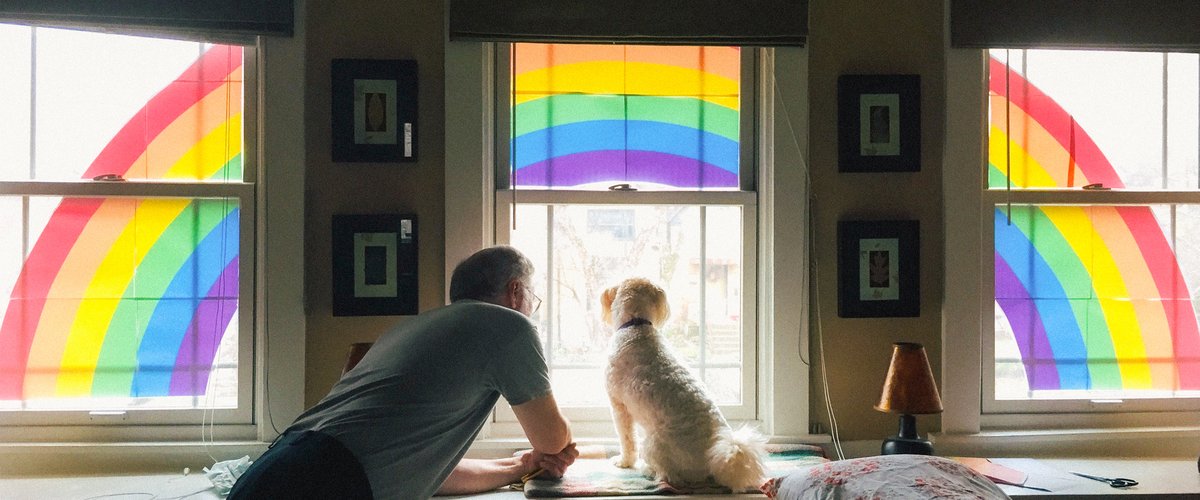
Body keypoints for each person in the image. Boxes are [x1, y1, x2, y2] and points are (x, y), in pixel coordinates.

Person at [228, 246, 577, 499]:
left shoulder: (411, 329)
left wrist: (518, 467)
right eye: (533, 298)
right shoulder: (509, 325)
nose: (532, 309)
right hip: (330, 482)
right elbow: (552, 440)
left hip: (271, 469)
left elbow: (433, 474)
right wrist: (559, 446)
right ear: (516, 292)